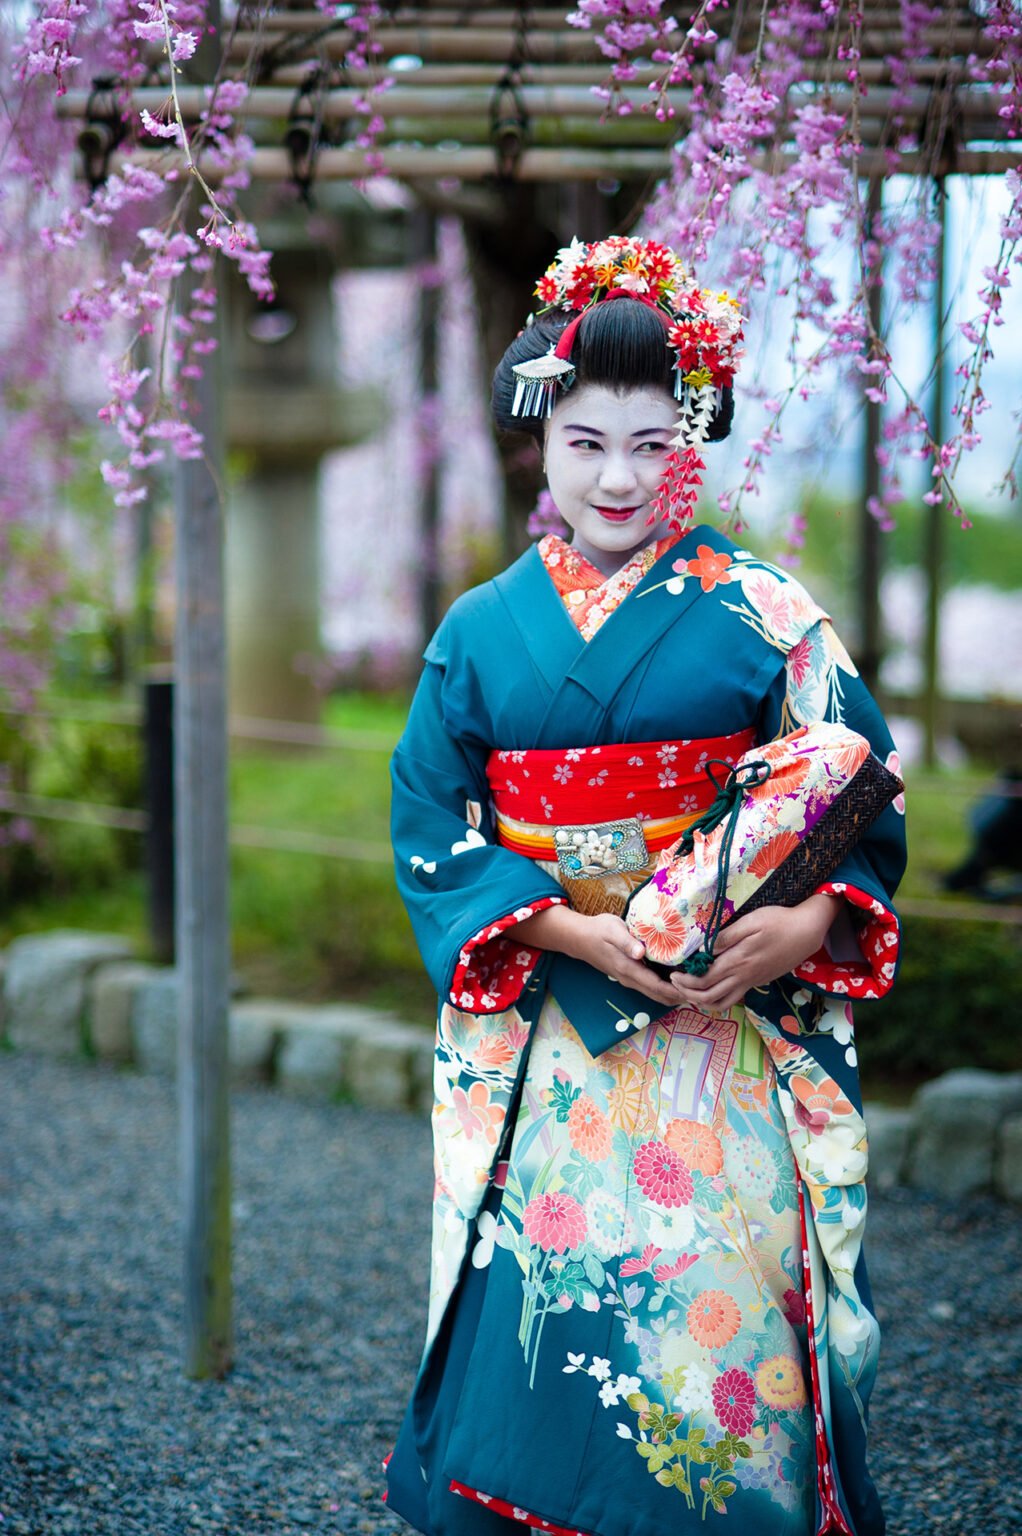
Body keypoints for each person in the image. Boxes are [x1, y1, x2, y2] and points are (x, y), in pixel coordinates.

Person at [386, 236, 906, 1536]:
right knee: (544, 1308)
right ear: (539, 443)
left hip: (718, 1030)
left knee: (719, 1320)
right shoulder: (478, 631)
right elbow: (425, 819)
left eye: (651, 443)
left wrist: (798, 923)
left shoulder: (766, 613)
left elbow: (860, 791)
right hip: (552, 1027)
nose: (618, 477)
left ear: (697, 441)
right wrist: (566, 925)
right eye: (585, 443)